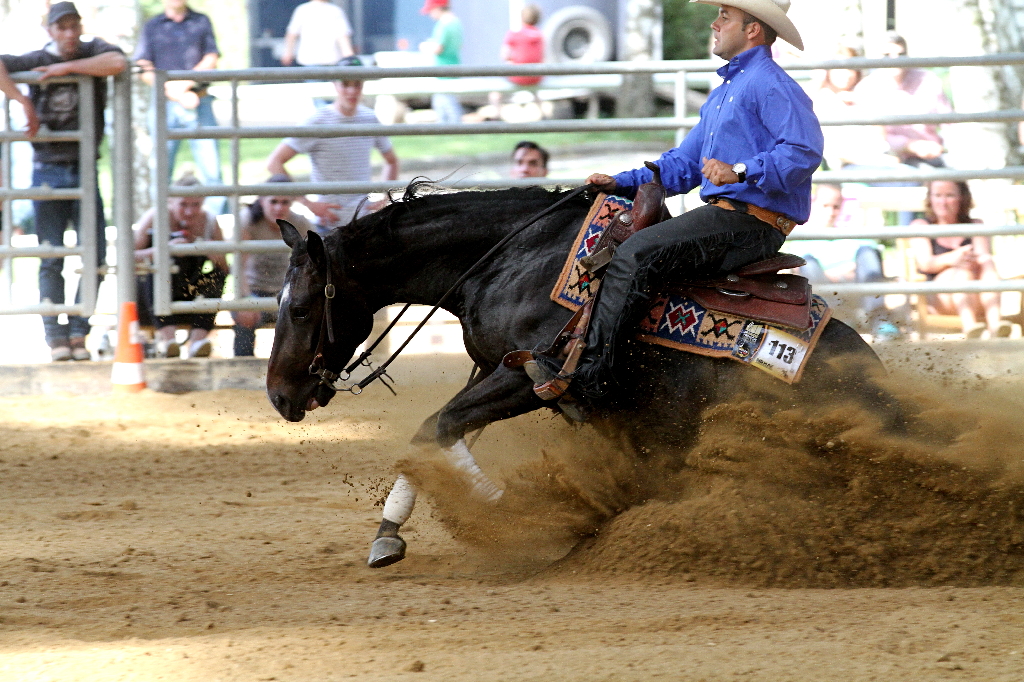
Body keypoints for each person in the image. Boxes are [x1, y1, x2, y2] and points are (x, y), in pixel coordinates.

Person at [527, 0, 823, 403]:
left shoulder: (770, 83)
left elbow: (804, 152)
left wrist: (740, 170)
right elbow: (684, 164)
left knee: (634, 254)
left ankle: (592, 374)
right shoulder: (727, 92)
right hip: (730, 218)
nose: (715, 23)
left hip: (752, 225)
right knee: (628, 247)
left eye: (725, 16)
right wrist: (621, 182)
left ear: (752, 30)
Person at [0, 2, 127, 362]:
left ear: (80, 27)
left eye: (74, 27)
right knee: (51, 254)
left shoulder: (93, 50)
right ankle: (56, 336)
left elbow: (118, 62)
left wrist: (64, 68)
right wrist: (22, 99)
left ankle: (77, 331)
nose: (69, 34)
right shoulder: (31, 59)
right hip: (49, 167)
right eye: (62, 27)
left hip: (84, 165)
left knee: (95, 253)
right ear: (50, 30)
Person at [267, 56, 400, 234]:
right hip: (327, 225)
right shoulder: (318, 121)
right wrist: (309, 204)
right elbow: (275, 162)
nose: (352, 91)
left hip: (363, 224)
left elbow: (392, 160)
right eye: (345, 84)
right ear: (335, 84)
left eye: (357, 84)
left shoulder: (369, 119)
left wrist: (385, 199)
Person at [135, 0, 226, 215]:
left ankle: (215, 222)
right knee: (160, 168)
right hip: (164, 104)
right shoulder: (152, 26)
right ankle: (161, 219)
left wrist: (185, 86)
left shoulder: (201, 21)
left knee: (211, 167)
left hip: (198, 100)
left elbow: (211, 58)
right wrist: (173, 91)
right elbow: (143, 65)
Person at [134, 172, 228, 358]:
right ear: (171, 201)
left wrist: (205, 248)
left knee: (216, 276)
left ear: (204, 202)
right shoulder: (155, 216)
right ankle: (168, 342)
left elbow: (224, 267)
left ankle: (197, 342)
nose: (189, 211)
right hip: (152, 300)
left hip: (190, 296)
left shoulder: (209, 221)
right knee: (158, 268)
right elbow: (128, 256)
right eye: (183, 204)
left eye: (196, 205)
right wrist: (163, 251)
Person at [791, 184, 899, 340]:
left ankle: (878, 318)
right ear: (814, 204)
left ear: (841, 207)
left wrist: (835, 274)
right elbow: (798, 270)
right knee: (808, 264)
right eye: (825, 206)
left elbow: (870, 258)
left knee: (868, 253)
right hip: (826, 292)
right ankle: (833, 321)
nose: (830, 212)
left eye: (835, 207)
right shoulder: (801, 237)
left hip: (852, 289)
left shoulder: (848, 233)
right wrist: (842, 272)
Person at [909, 180, 1009, 339]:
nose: (943, 202)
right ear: (930, 198)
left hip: (977, 297)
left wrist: (968, 259)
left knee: (987, 262)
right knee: (962, 271)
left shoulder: (975, 225)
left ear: (961, 198)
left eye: (949, 195)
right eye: (938, 195)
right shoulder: (921, 225)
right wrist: (953, 259)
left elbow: (983, 256)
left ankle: (996, 325)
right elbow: (925, 264)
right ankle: (970, 327)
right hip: (942, 299)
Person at [231, 175, 313, 357]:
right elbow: (237, 267)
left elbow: (313, 263)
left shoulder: (300, 223)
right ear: (262, 201)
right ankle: (242, 369)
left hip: (288, 291)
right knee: (244, 314)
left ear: (292, 202)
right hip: (253, 290)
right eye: (273, 201)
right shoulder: (248, 221)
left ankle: (300, 371)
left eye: (285, 202)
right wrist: (245, 299)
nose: (279, 208)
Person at [853, 32, 951, 169]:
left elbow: (949, 124)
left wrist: (951, 147)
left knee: (963, 168)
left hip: (936, 152)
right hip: (893, 159)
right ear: (877, 58)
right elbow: (873, 137)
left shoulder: (928, 80)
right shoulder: (866, 89)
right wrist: (909, 145)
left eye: (901, 54)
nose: (895, 60)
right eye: (887, 55)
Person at [419, 0, 463, 124]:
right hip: (454, 65)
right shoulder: (456, 22)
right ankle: (448, 127)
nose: (430, 14)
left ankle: (451, 127)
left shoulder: (444, 25)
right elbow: (459, 46)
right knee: (446, 101)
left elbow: (438, 47)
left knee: (445, 104)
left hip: (442, 69)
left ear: (438, 8)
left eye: (431, 11)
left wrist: (425, 46)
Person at [281, 0, 354, 67]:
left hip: (310, 59)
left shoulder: (302, 9)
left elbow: (292, 34)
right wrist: (349, 57)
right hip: (330, 60)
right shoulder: (335, 11)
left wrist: (288, 53)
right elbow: (342, 36)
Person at [502, 4, 544, 87]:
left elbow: (504, 55)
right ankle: (538, 99)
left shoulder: (513, 34)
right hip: (536, 77)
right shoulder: (540, 36)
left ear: (521, 18)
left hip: (518, 77)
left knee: (499, 79)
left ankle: (495, 99)